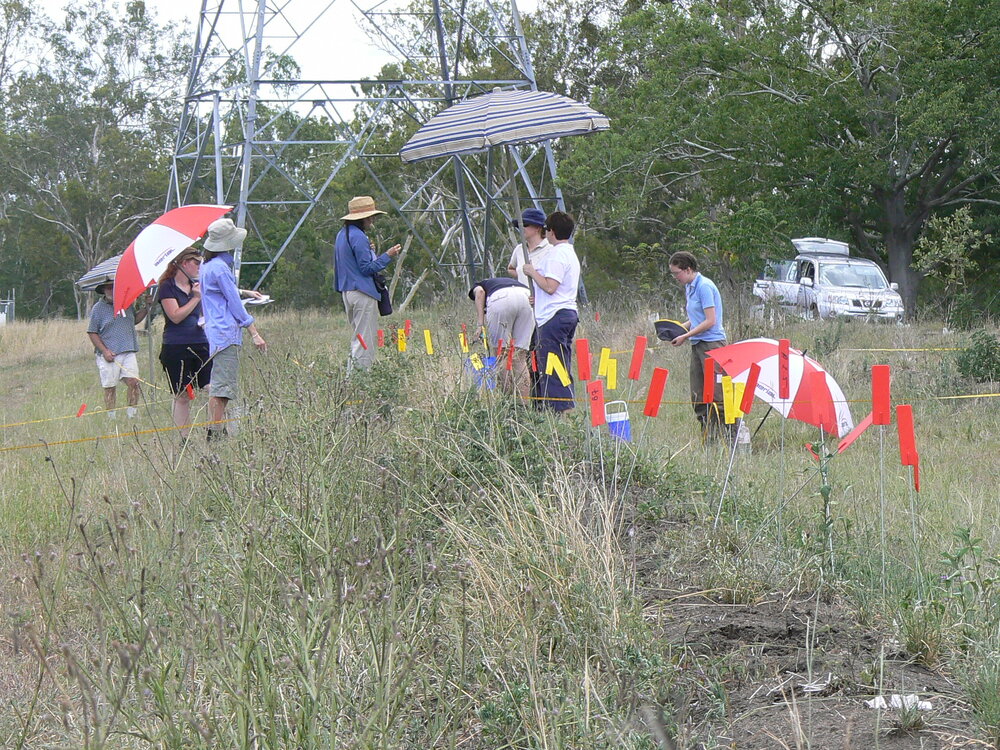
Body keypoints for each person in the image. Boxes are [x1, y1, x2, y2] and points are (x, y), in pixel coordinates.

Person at [200, 217, 267, 440]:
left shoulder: (207, 265)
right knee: (223, 388)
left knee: (221, 385)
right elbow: (234, 305)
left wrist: (245, 292)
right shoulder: (219, 268)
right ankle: (216, 434)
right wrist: (254, 332)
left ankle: (218, 429)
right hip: (225, 333)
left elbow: (224, 292)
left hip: (216, 331)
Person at [522, 211, 581, 412]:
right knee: (554, 362)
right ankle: (550, 405)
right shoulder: (568, 252)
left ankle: (562, 410)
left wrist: (532, 272)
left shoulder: (557, 254)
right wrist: (538, 297)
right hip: (561, 313)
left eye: (547, 229)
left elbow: (550, 286)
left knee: (553, 365)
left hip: (554, 317)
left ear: (552, 232)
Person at [334, 196, 401, 371]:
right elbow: (366, 268)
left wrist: (368, 250)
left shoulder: (343, 235)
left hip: (348, 292)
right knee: (366, 341)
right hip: (362, 293)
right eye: (370, 217)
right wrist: (388, 255)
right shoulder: (358, 237)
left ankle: (352, 378)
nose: (372, 220)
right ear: (362, 218)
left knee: (359, 339)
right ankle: (360, 382)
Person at [668, 251, 729, 437]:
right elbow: (695, 318)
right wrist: (679, 328)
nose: (675, 277)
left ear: (688, 269)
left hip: (712, 344)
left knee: (716, 393)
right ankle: (707, 432)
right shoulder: (689, 287)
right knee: (698, 392)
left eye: (677, 273)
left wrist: (686, 336)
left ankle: (726, 432)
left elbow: (710, 320)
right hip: (697, 343)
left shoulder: (704, 286)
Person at [156, 248, 211, 440]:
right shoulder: (166, 287)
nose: (199, 267)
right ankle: (183, 438)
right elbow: (176, 316)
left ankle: (215, 430)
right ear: (183, 263)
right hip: (176, 346)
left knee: (211, 387)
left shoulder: (197, 284)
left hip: (201, 342)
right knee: (182, 394)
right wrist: (196, 298)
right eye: (196, 263)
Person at [86, 283, 150, 418]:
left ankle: (132, 415)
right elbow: (92, 332)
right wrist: (104, 351)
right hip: (109, 354)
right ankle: (111, 418)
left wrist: (147, 307)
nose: (112, 290)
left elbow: (134, 320)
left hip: (128, 349)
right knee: (110, 386)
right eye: (109, 288)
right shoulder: (98, 309)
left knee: (134, 383)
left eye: (114, 287)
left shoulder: (126, 304)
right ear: (103, 290)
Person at [468, 277, 533, 398]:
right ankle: (523, 404)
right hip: (526, 297)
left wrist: (480, 325)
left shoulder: (479, 285)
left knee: (501, 354)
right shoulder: (509, 281)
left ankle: (507, 400)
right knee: (520, 357)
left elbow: (480, 293)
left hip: (500, 299)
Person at [506, 207, 552, 285]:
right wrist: (522, 277)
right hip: (523, 295)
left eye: (525, 224)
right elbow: (510, 269)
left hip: (543, 296)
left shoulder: (550, 249)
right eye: (519, 225)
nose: (521, 228)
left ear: (538, 228)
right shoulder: (519, 249)